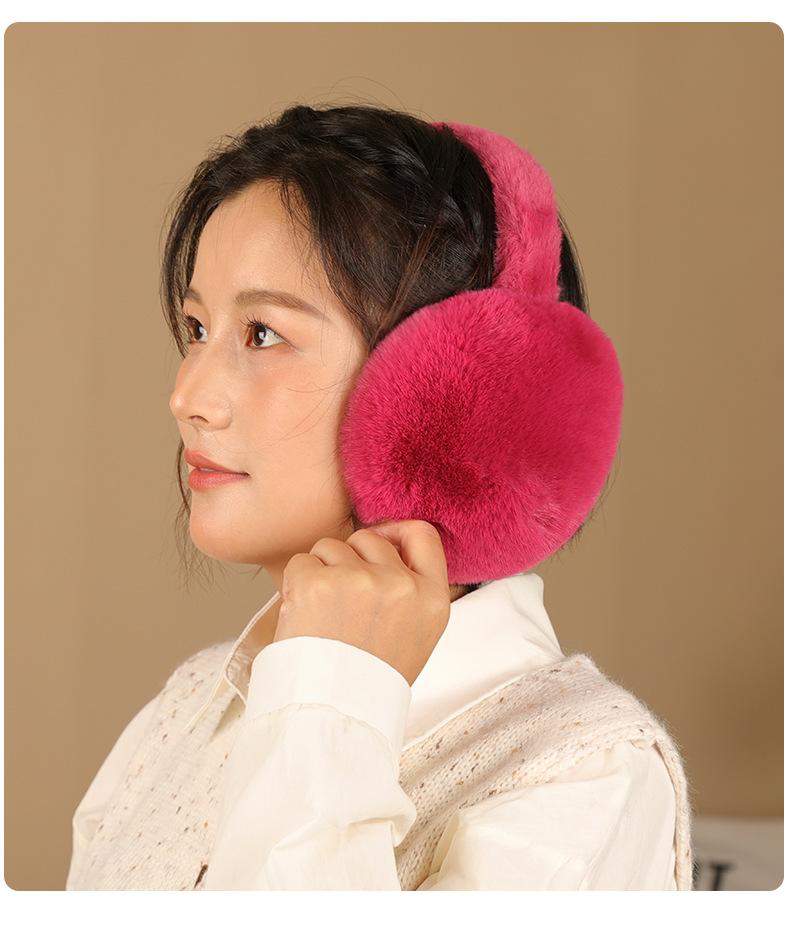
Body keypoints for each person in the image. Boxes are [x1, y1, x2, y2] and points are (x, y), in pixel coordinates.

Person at [66, 103, 693, 890]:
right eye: (196, 328)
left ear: (448, 398)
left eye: (263, 334)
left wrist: (328, 694)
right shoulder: (188, 707)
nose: (187, 395)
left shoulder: (585, 776)